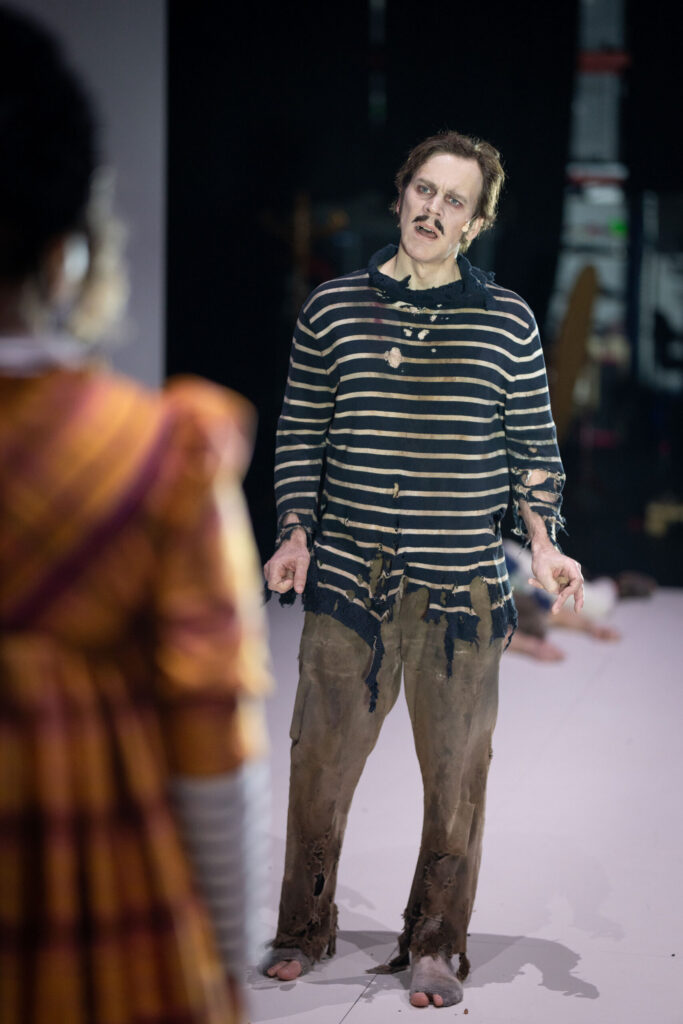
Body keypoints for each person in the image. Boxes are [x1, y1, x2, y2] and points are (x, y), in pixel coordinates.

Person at [263, 130, 584, 1009]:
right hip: (346, 588)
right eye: (424, 190)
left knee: (455, 780)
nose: (432, 209)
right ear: (401, 194)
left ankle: (436, 941)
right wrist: (293, 534)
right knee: (318, 766)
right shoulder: (332, 310)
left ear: (474, 224)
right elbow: (300, 435)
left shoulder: (507, 321)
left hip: (462, 596)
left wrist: (544, 543)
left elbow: (533, 454)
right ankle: (302, 927)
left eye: (454, 201)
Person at [0, 9, 270, 1024]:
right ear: (66, 248)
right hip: (98, 939)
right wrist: (228, 968)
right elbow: (212, 749)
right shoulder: (159, 459)